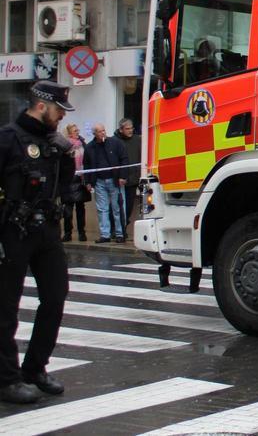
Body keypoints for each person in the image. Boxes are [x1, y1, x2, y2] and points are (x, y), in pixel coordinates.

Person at [0, 81, 75, 404]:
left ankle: (35, 369)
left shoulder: (55, 144)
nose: (62, 117)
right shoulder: (7, 138)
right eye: (59, 110)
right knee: (5, 308)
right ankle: (6, 379)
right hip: (12, 231)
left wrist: (67, 153)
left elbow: (66, 185)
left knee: (56, 297)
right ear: (42, 106)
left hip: (47, 231)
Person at [83, 123, 129, 244]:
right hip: (98, 181)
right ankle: (105, 234)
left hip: (114, 180)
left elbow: (124, 159)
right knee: (102, 209)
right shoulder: (89, 147)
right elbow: (86, 165)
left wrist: (123, 176)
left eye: (103, 130)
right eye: (99, 131)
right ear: (94, 134)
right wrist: (88, 182)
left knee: (118, 207)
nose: (103, 133)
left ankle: (120, 233)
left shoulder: (115, 143)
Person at [60, 124, 88, 242]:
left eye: (78, 130)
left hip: (80, 179)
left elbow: (87, 160)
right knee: (68, 209)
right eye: (75, 130)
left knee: (81, 208)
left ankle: (82, 233)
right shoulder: (65, 146)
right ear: (69, 133)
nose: (77, 132)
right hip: (69, 180)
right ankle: (68, 233)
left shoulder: (82, 144)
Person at [115, 118, 140, 233]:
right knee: (117, 207)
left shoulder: (137, 140)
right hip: (118, 180)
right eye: (127, 129)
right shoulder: (114, 141)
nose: (130, 131)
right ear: (121, 130)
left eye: (131, 128)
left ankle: (123, 228)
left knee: (128, 207)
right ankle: (116, 230)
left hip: (133, 179)